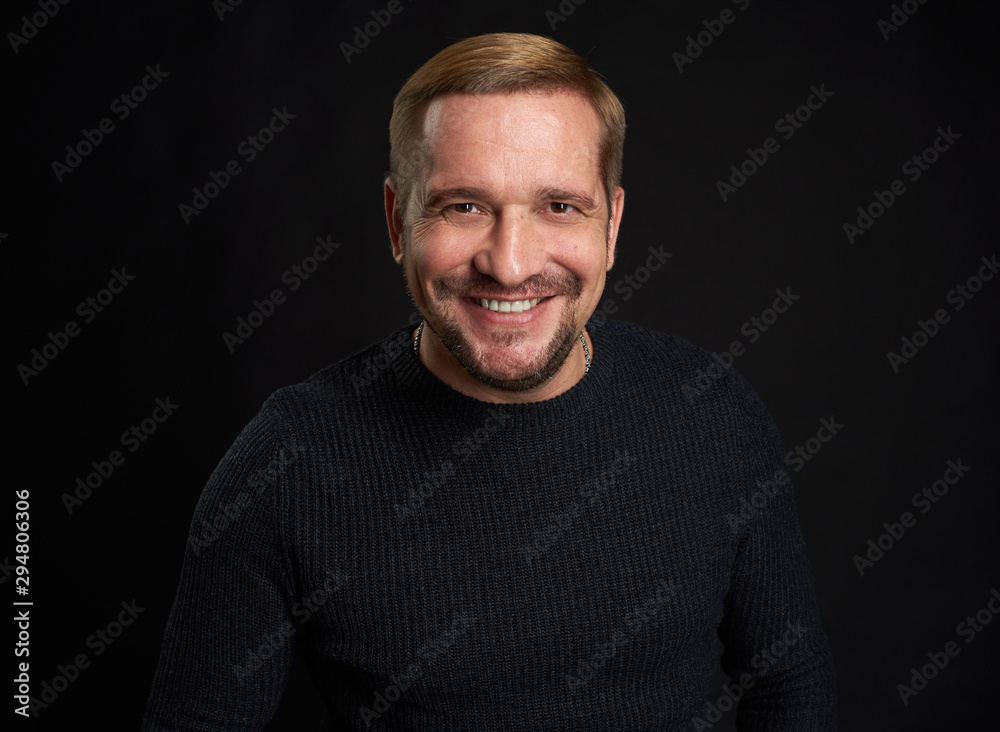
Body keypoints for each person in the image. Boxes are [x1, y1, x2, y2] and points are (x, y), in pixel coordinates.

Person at [143, 32, 836, 730]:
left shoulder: (712, 413)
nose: (509, 265)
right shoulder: (286, 464)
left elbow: (791, 687)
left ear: (613, 227)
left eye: (558, 206)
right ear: (396, 221)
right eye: (463, 206)